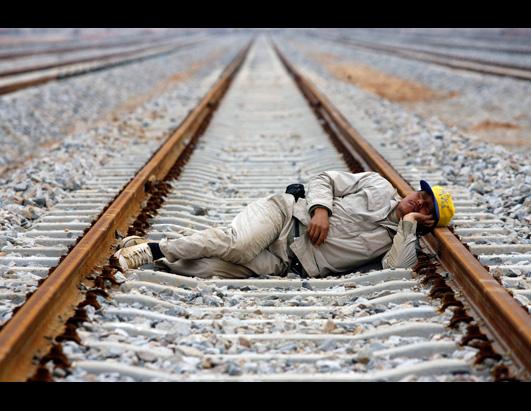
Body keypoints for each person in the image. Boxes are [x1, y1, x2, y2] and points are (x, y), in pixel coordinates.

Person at [114, 171, 455, 279]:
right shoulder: (378, 185)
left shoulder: (395, 240)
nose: (418, 201)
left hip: (285, 261)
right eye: (421, 194)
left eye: (425, 208)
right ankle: (157, 248)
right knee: (239, 244)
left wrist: (408, 226)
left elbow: (395, 269)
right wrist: (321, 209)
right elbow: (324, 178)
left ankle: (151, 248)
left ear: (425, 221)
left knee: (209, 269)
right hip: (284, 214)